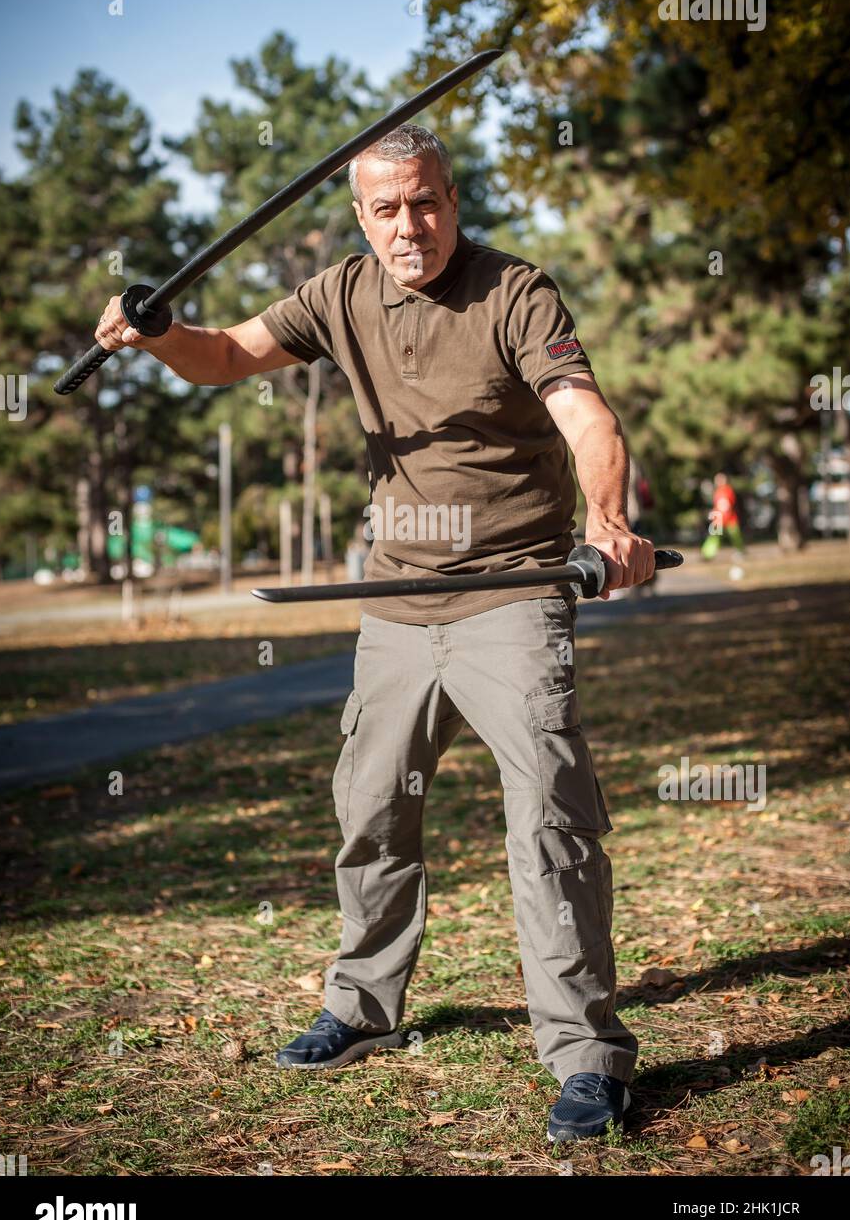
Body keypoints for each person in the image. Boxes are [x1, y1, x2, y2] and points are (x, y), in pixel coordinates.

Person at [94, 124, 655, 1146]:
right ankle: (360, 1006)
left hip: (511, 597)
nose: (411, 225)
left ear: (452, 196)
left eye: (427, 202)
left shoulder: (514, 292)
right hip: (393, 604)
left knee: (549, 821)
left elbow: (585, 416)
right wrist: (158, 330)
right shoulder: (338, 294)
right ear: (360, 217)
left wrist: (609, 524)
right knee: (368, 811)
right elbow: (223, 357)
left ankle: (586, 1056)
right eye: (387, 209)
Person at [701, 472, 746, 559]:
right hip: (718, 518)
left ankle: (741, 551)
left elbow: (727, 505)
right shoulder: (717, 492)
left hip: (730, 518)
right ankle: (707, 554)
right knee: (714, 537)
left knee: (735, 536)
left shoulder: (728, 490)